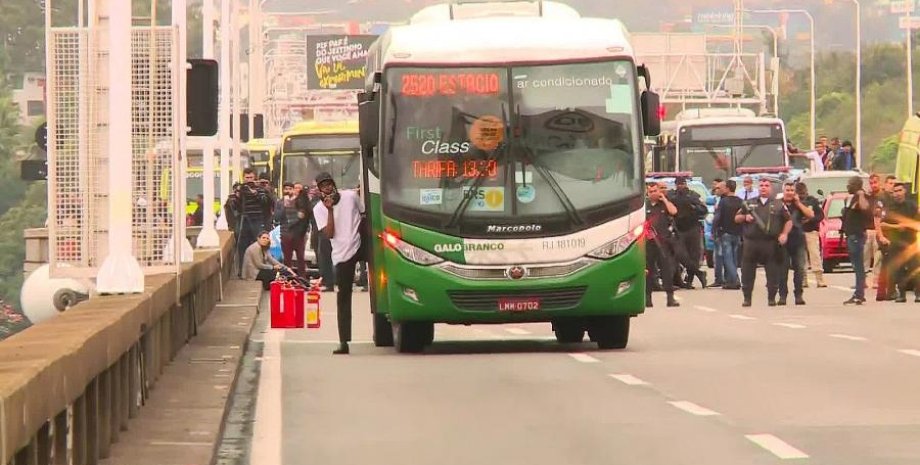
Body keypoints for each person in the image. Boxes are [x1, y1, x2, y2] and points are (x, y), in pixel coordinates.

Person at [312, 172, 365, 355]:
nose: (327, 188)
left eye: (329, 184)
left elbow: (363, 212)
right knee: (343, 296)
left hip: (360, 244)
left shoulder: (350, 197)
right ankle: (344, 341)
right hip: (341, 254)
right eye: (323, 186)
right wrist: (330, 210)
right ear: (319, 190)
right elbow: (329, 234)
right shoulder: (319, 209)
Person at [735, 178, 792, 307]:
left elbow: (788, 221)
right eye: (761, 185)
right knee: (747, 271)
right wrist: (745, 217)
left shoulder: (778, 204)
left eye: (766, 185)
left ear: (770, 188)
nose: (763, 188)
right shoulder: (749, 203)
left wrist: (784, 234)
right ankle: (747, 298)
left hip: (770, 243)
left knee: (772, 272)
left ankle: (771, 298)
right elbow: (737, 218)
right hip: (752, 242)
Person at [877, 182, 920, 302]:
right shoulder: (890, 208)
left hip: (911, 242)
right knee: (899, 270)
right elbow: (883, 224)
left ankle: (918, 294)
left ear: (904, 191)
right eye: (895, 191)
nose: (897, 194)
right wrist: (897, 227)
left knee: (915, 268)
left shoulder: (912, 206)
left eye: (900, 191)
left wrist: (909, 225)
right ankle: (901, 294)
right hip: (896, 243)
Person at [778, 182, 814, 305]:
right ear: (783, 191)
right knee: (782, 270)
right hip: (783, 241)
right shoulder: (778, 204)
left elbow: (810, 215)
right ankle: (782, 296)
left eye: (792, 190)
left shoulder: (799, 204)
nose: (789, 192)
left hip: (797, 240)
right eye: (787, 190)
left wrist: (798, 203)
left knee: (799, 269)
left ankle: (798, 295)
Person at [645, 183, 680, 308]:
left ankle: (670, 298)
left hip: (663, 242)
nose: (653, 193)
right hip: (648, 243)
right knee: (648, 271)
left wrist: (664, 199)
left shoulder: (664, 205)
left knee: (666, 270)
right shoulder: (645, 206)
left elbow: (674, 211)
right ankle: (647, 298)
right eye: (650, 191)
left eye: (655, 191)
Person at [669, 176, 708, 289]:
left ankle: (689, 281)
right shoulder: (671, 195)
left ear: (686, 184)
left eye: (683, 183)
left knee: (694, 256)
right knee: (681, 255)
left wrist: (695, 207)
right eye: (679, 184)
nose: (681, 186)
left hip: (692, 228)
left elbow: (703, 210)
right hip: (679, 229)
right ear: (676, 185)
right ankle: (700, 273)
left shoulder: (693, 195)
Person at [841, 176, 872, 305]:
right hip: (851, 236)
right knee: (856, 266)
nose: (847, 186)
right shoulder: (851, 198)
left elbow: (865, 207)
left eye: (850, 184)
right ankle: (858, 293)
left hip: (856, 237)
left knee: (859, 267)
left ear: (856, 185)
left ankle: (859, 294)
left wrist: (861, 194)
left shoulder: (861, 197)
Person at [274, 182, 311, 277]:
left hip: (299, 234)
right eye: (286, 189)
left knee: (301, 258)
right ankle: (288, 278)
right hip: (285, 234)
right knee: (287, 259)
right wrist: (284, 206)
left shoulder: (300, 201)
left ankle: (302, 278)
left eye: (290, 189)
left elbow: (305, 216)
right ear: (283, 190)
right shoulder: (280, 202)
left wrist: (305, 231)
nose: (288, 191)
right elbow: (277, 217)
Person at [713, 179, 743, 289]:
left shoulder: (723, 201)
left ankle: (735, 280)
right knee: (734, 258)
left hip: (726, 232)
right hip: (737, 233)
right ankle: (730, 281)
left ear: (728, 188)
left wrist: (714, 230)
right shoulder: (740, 201)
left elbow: (717, 218)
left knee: (727, 258)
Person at [797, 182, 826, 288]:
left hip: (811, 231)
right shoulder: (794, 202)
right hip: (798, 232)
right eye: (799, 192)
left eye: (803, 192)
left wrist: (810, 219)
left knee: (815, 255)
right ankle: (803, 279)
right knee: (800, 257)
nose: (801, 194)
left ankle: (819, 279)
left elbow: (820, 215)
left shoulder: (812, 201)